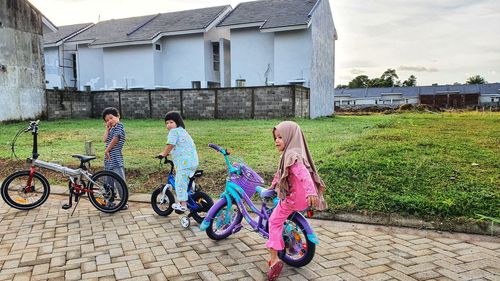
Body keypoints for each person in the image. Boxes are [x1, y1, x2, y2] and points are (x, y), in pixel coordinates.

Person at [266, 121, 327, 281]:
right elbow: (280, 174)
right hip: (303, 200)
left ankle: (274, 259)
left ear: (290, 136)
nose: (277, 141)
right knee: (281, 214)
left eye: (280, 137)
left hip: (295, 199)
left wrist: (311, 192)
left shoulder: (292, 155)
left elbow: (303, 174)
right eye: (275, 137)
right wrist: (273, 186)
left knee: (274, 221)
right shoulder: (293, 153)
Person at [157, 111, 199, 212]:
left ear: (177, 122)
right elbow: (180, 146)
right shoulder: (183, 131)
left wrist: (163, 154)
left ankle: (183, 205)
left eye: (171, 122)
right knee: (185, 181)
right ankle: (192, 191)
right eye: (166, 123)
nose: (169, 125)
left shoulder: (174, 132)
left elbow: (170, 145)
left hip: (184, 164)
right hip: (193, 161)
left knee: (179, 182)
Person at [102, 107, 128, 210]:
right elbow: (104, 140)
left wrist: (107, 150)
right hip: (108, 160)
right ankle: (110, 201)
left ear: (118, 116)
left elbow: (116, 139)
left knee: (120, 181)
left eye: (111, 118)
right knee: (108, 182)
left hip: (116, 159)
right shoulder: (111, 128)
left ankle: (124, 202)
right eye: (107, 120)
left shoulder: (119, 126)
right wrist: (107, 129)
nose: (109, 121)